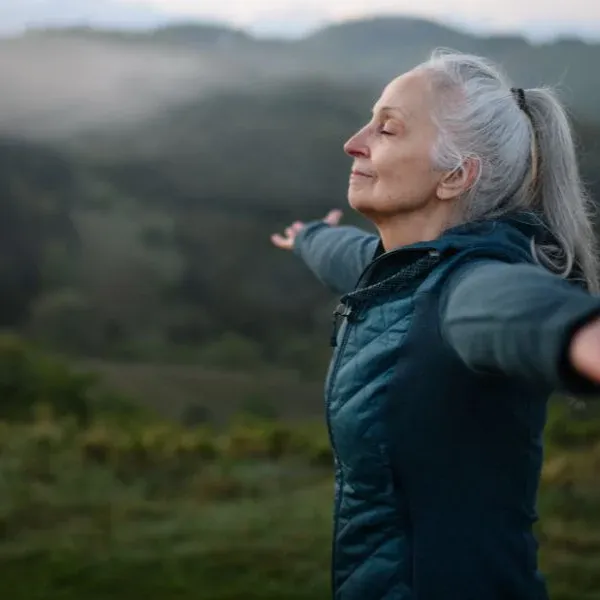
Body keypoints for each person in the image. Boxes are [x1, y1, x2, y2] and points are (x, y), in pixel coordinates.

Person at [270, 50, 600, 600]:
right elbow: (348, 255)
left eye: (388, 128)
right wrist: (307, 237)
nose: (354, 141)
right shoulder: (398, 269)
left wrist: (584, 338)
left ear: (455, 175)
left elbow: (527, 312)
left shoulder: (468, 287)